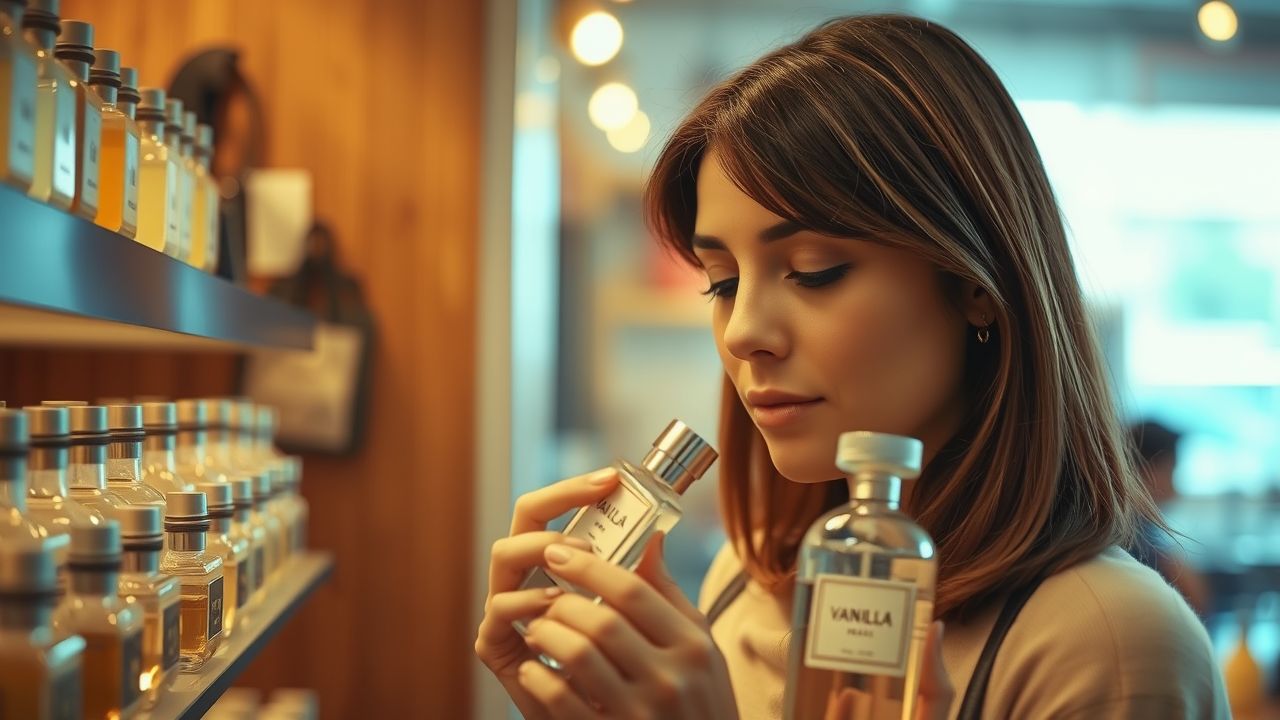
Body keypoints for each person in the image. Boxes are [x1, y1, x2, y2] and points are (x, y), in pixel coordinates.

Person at [476, 14, 1230, 719]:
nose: (742, 333)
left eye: (813, 270)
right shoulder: (743, 578)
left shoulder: (1108, 642)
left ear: (974, 285)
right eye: (723, 282)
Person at [1128, 420, 1212, 617]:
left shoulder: (1141, 527)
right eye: (1172, 472)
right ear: (1148, 471)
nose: (1176, 487)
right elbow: (1198, 599)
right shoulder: (1138, 534)